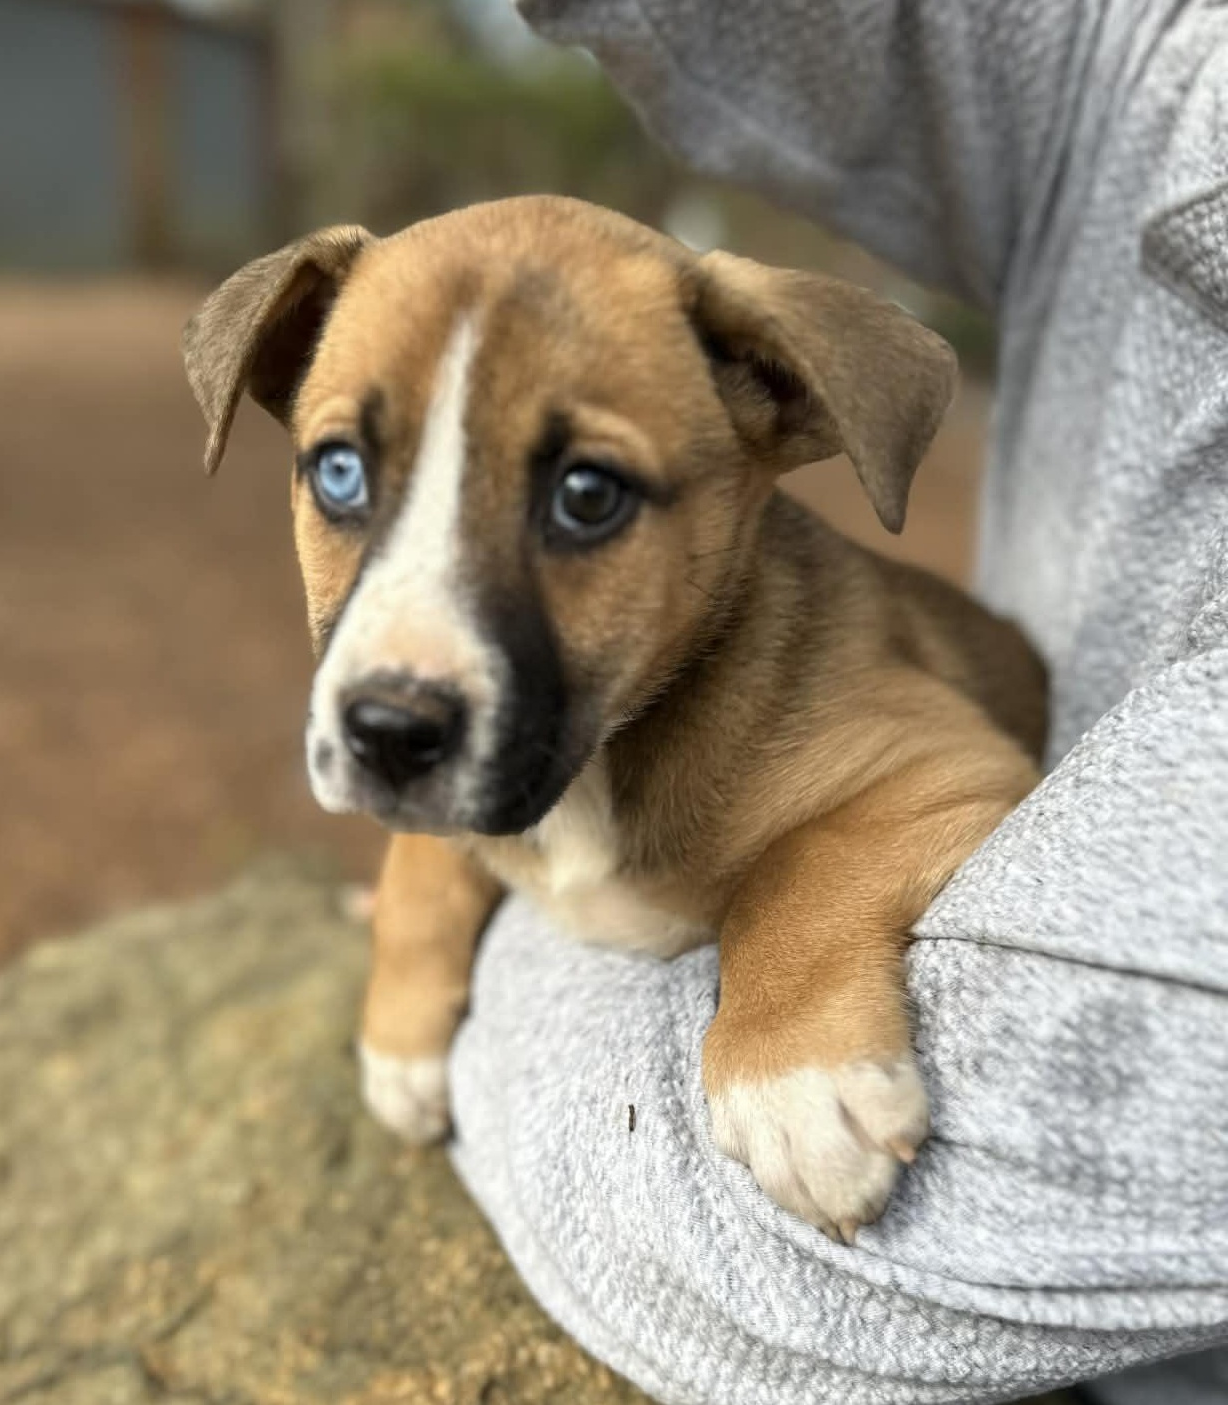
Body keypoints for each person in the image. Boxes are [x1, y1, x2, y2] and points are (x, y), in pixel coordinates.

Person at [446, 0, 1228, 1400]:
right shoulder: (1149, 58)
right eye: (335, 471)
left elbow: (834, 1231)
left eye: (587, 494)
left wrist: (505, 985)